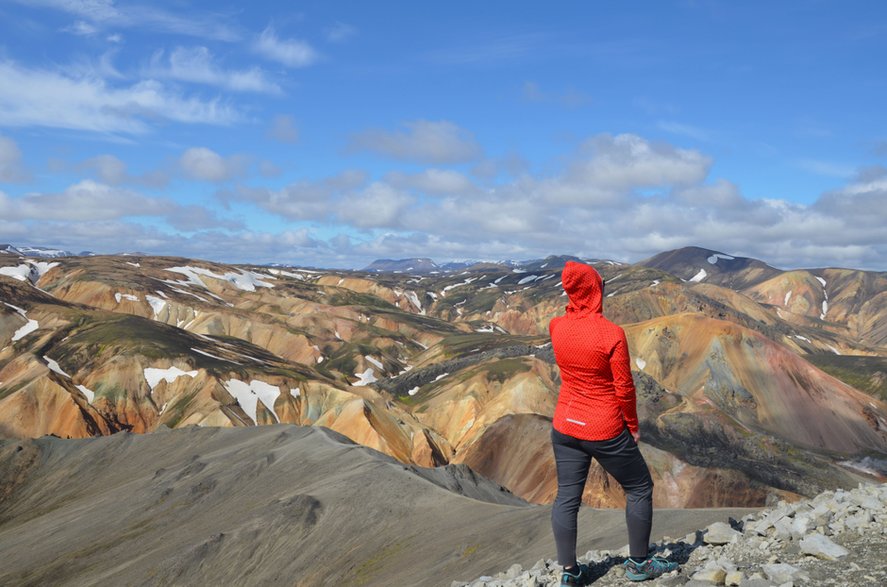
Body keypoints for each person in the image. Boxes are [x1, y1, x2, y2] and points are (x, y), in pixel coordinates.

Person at [549, 261, 678, 585]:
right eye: (600, 284)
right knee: (639, 487)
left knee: (567, 497)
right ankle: (638, 564)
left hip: (565, 425)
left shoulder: (555, 327)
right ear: (594, 290)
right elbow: (624, 388)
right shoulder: (612, 334)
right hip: (603, 427)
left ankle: (570, 573)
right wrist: (632, 426)